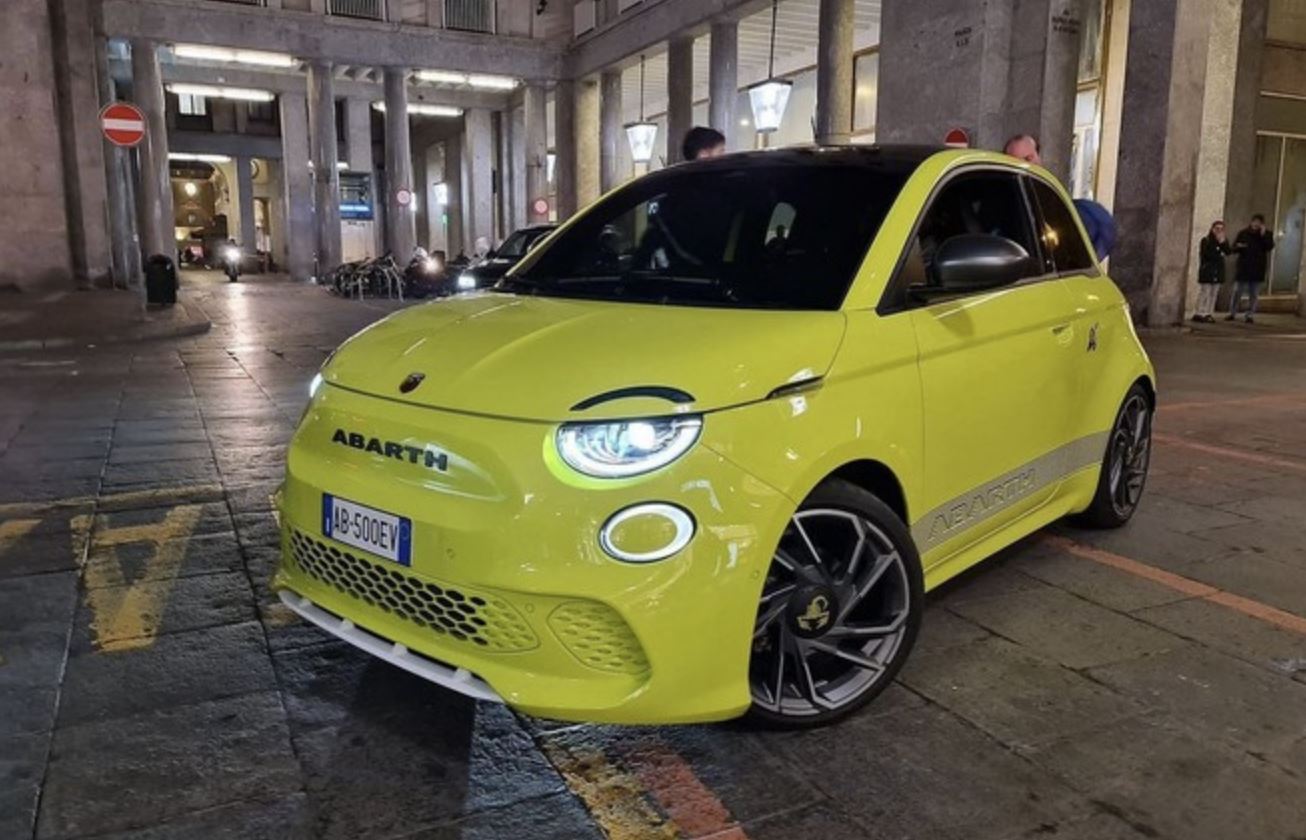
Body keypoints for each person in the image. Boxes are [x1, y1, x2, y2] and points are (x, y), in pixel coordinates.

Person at [1227, 214, 1275, 323]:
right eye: (1255, 222)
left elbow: (1269, 247)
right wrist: (1238, 247)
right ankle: (1232, 312)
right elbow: (1234, 248)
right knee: (1237, 291)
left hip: (1257, 268)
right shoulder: (1243, 233)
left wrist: (1263, 235)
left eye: (1259, 222)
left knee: (1253, 293)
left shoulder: (1267, 234)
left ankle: (1250, 314)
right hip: (1244, 267)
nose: (1256, 224)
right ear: (1251, 222)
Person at [1194, 221, 1230, 323]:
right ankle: (1200, 312)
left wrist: (1222, 243)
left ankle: (1209, 312)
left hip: (1218, 271)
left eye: (1221, 229)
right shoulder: (1206, 240)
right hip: (1208, 270)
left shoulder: (1223, 241)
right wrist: (1219, 253)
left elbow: (1228, 251)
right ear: (1212, 229)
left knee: (1214, 293)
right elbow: (1207, 255)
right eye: (1217, 229)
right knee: (1205, 292)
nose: (1219, 231)